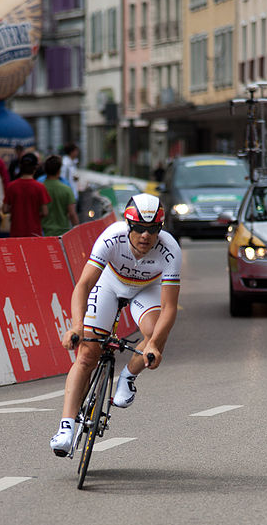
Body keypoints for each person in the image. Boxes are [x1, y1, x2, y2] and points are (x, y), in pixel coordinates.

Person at [50, 193, 181, 456]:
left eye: (153, 230)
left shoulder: (170, 250)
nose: (146, 236)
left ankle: (128, 376)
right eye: (140, 229)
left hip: (147, 288)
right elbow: (84, 286)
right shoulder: (112, 237)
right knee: (87, 354)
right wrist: (77, 326)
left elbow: (169, 308)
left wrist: (153, 344)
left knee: (156, 333)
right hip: (111, 283)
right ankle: (66, 427)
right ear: (129, 226)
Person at [3, 152, 51, 237]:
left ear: (20, 166)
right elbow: (45, 212)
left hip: (16, 232)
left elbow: (5, 209)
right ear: (35, 167)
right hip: (34, 232)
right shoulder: (40, 187)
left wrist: (16, 209)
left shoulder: (11, 186)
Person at [42, 155, 79, 236]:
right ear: (59, 171)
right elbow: (72, 214)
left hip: (43, 234)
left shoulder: (40, 188)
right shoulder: (66, 189)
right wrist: (78, 232)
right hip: (62, 234)